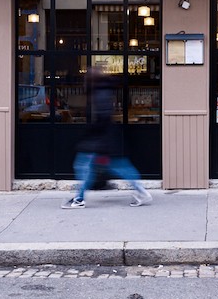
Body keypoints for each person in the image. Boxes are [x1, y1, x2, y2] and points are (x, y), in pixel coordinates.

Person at [62, 66, 152, 209]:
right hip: (105, 140)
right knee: (116, 166)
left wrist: (90, 131)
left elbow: (102, 118)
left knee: (85, 166)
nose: (84, 81)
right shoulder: (102, 91)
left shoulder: (100, 93)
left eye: (86, 79)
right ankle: (79, 198)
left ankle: (79, 199)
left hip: (100, 141)